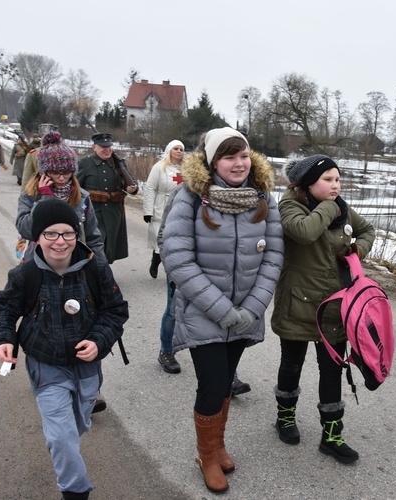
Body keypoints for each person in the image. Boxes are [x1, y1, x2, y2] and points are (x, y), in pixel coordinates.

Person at [161, 127, 283, 493]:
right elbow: (178, 259)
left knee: (226, 382)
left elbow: (274, 257)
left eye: (243, 155)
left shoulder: (264, 198)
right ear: (214, 162)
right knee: (212, 385)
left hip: (244, 313)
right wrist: (221, 309)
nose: (238, 163)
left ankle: (218, 444)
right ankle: (206, 455)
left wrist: (252, 307)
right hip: (204, 313)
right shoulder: (190, 197)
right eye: (229, 157)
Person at [0, 198, 129, 500]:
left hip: (87, 369)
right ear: (37, 237)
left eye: (67, 233)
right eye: (50, 234)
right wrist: (4, 339)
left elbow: (115, 311)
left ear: (76, 234)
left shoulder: (96, 269)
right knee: (62, 437)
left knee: (75, 427)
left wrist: (98, 340)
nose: (60, 241)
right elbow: (4, 309)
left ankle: (64, 444)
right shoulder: (26, 273)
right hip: (46, 365)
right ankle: (75, 491)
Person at [270, 154, 375, 464]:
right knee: (292, 364)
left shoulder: (341, 207)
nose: (335, 185)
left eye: (338, 179)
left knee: (332, 371)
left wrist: (356, 253)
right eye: (328, 180)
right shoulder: (290, 205)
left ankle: (332, 436)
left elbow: (368, 230)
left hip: (335, 306)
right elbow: (304, 232)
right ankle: (285, 417)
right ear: (307, 183)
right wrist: (331, 205)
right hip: (298, 303)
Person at [16, 131, 105, 263]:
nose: (62, 177)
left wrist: (102, 269)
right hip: (39, 263)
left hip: (74, 263)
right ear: (44, 172)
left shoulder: (82, 197)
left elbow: (93, 237)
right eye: (55, 172)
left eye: (67, 172)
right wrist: (44, 200)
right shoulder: (30, 196)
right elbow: (26, 230)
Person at [76, 132, 138, 264]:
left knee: (110, 245)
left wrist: (132, 189)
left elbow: (130, 184)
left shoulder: (118, 162)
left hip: (114, 212)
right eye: (103, 147)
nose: (107, 149)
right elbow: (76, 187)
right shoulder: (85, 162)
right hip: (93, 211)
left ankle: (102, 270)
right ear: (94, 147)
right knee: (96, 243)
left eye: (109, 146)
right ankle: (97, 272)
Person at [143, 140, 185, 280]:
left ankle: (171, 270)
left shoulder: (185, 169)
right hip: (161, 206)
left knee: (174, 241)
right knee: (159, 240)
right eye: (176, 149)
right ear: (169, 150)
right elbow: (150, 188)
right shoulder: (159, 167)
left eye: (181, 149)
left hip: (178, 206)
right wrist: (148, 211)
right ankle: (155, 262)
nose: (179, 151)